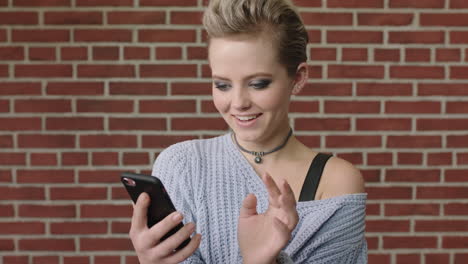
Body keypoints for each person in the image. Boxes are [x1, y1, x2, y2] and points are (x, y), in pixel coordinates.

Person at [129, 0, 367, 263]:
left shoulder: (334, 183)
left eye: (258, 83)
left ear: (298, 78)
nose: (239, 102)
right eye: (222, 85)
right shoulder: (182, 166)